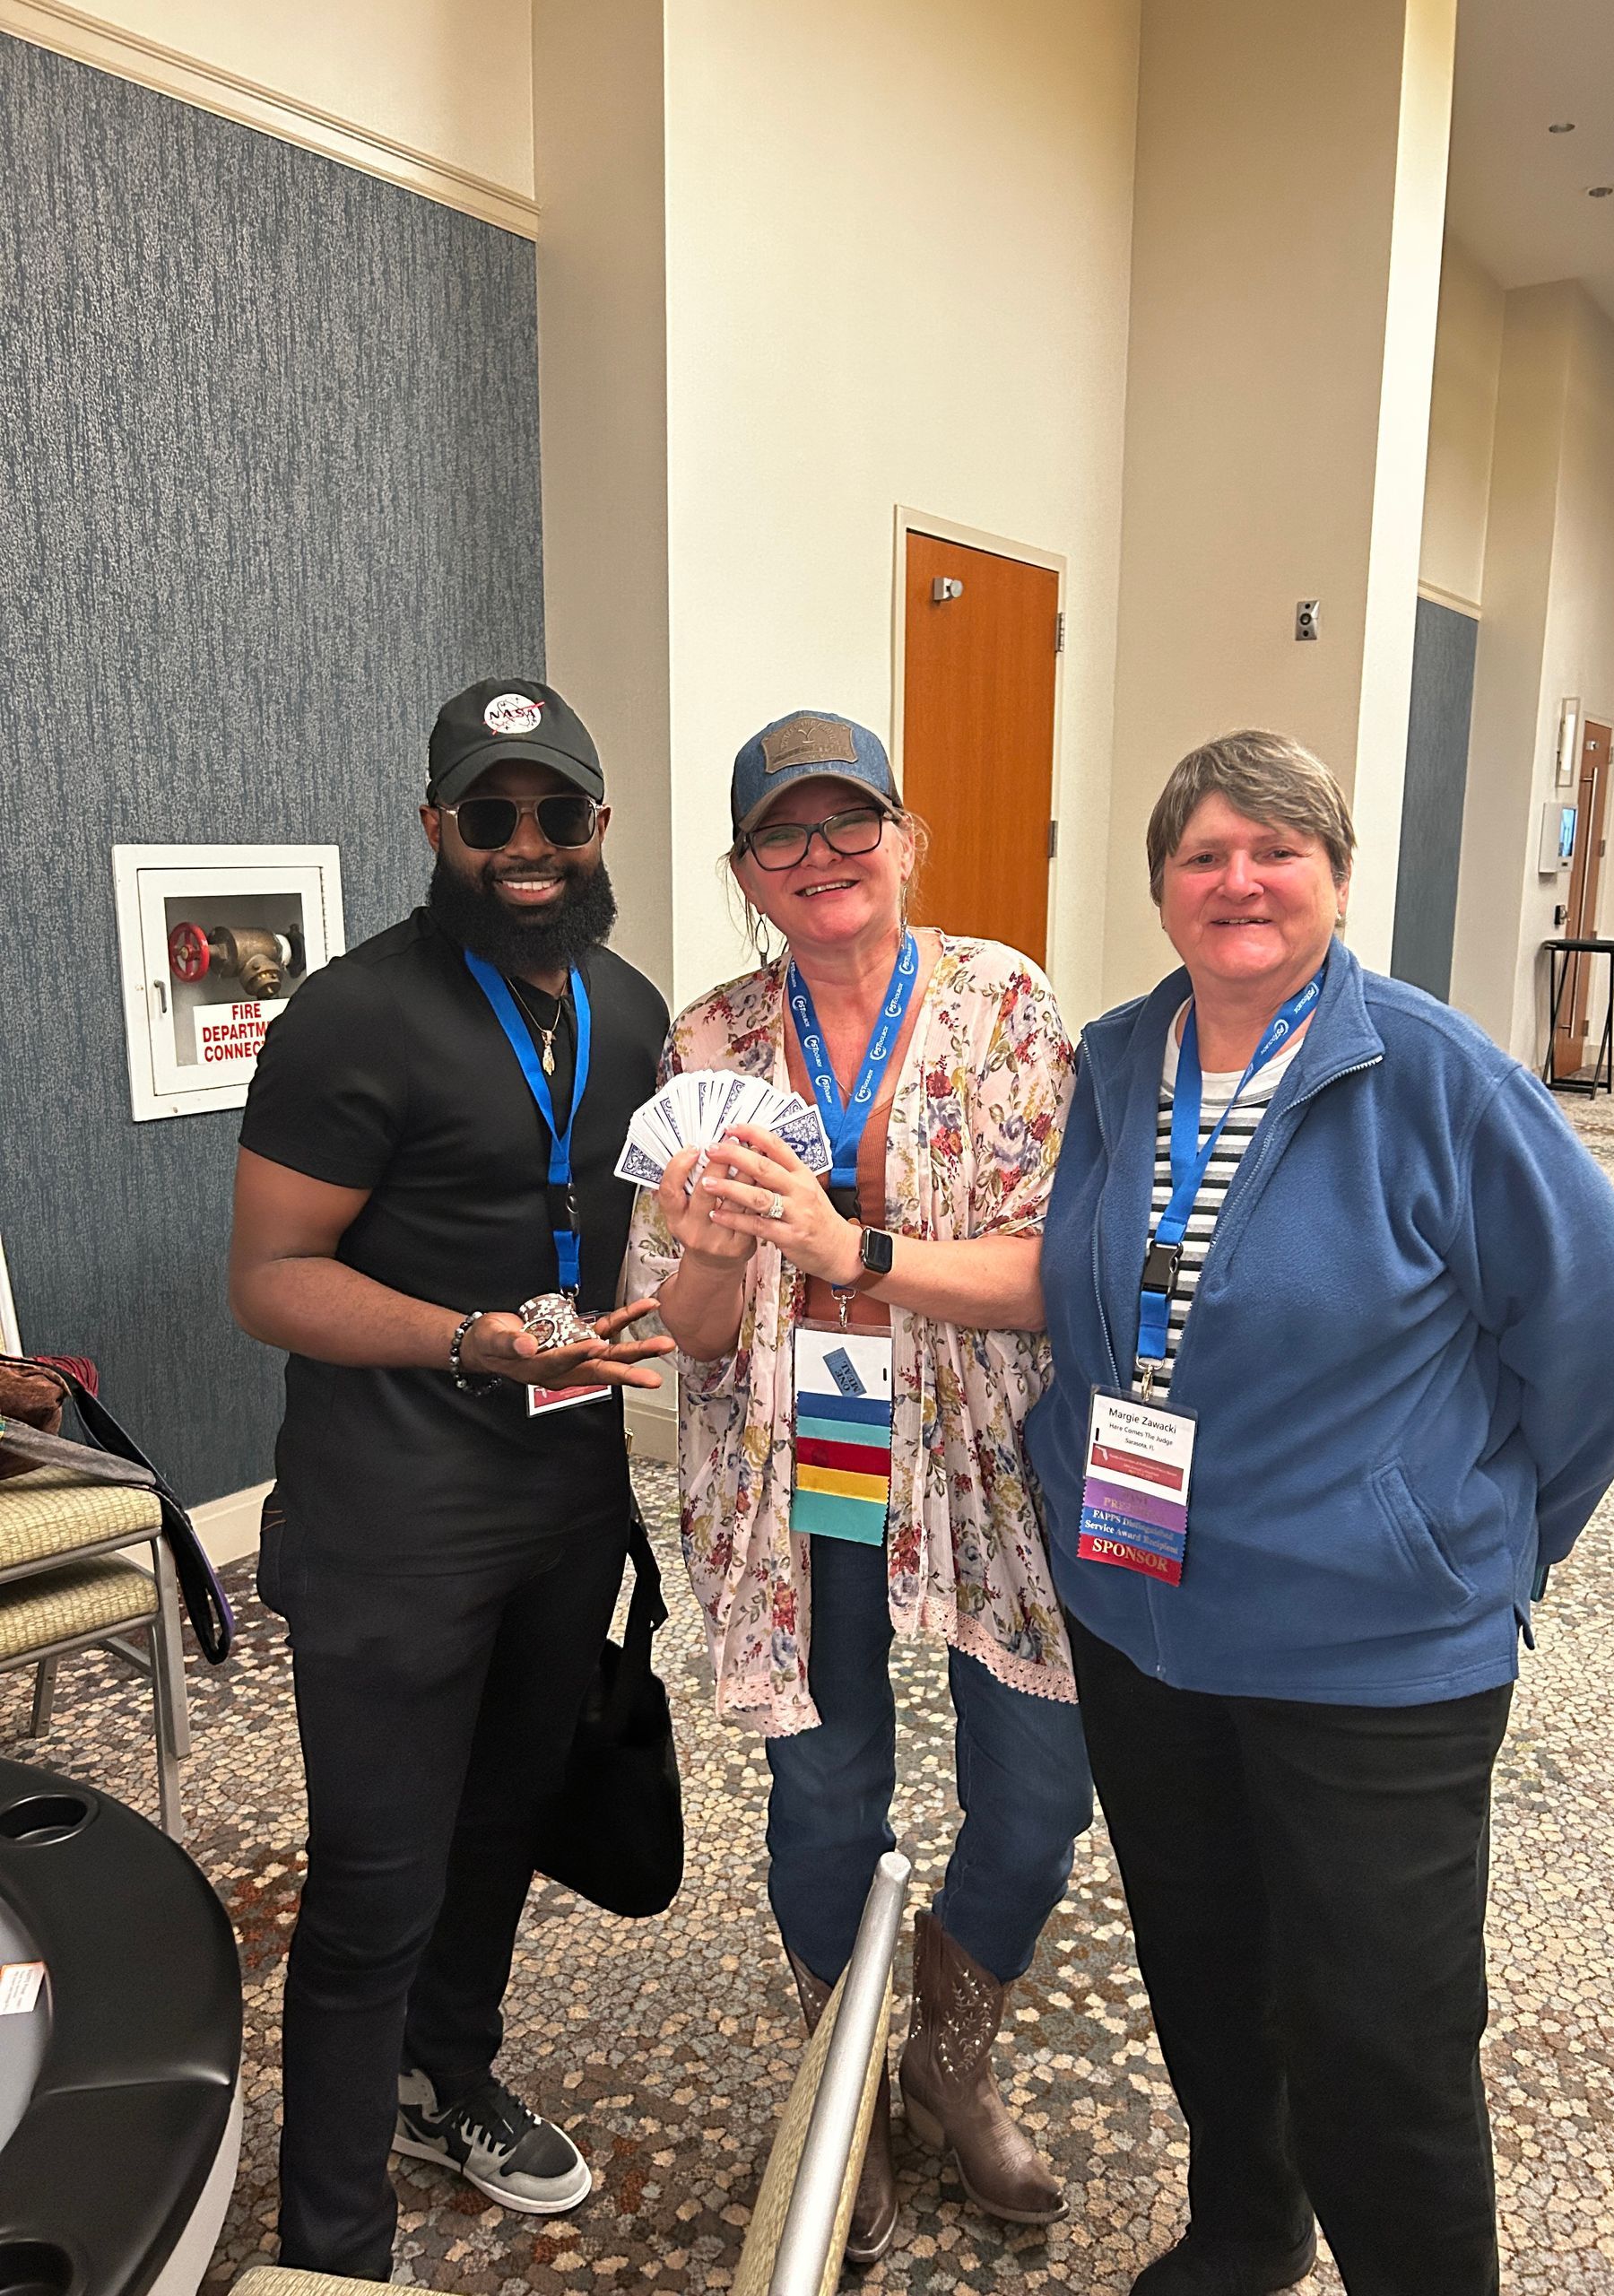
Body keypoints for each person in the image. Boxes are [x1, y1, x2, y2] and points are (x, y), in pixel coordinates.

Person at [1026, 729, 1614, 2296]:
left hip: (1371, 1651)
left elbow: (1605, 1325)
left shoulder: (1438, 1076)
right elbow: (1081, 1289)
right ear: (1163, 890)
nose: (1239, 881)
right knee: (1203, 1964)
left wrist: (1471, 1535)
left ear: (1336, 877)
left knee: (1383, 2027)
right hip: (1143, 1619)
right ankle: (1250, 2230)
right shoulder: (1118, 1061)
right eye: (1204, 855)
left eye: (1278, 851)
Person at [627, 710, 1092, 2260]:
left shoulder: (1006, 1004)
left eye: (851, 823)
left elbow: (1053, 1273)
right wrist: (709, 1254)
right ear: (746, 870)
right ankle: (842, 2092)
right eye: (784, 833)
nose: (821, 856)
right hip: (799, 1447)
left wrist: (853, 1251)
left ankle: (950, 2057)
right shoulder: (710, 1043)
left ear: (905, 839)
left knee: (1041, 1785)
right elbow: (689, 1335)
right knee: (829, 1786)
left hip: (985, 1442)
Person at [229, 677, 673, 2275]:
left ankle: (445, 2080)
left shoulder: (629, 1008)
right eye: (491, 814)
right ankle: (333, 2240)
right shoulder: (350, 1016)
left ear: (600, 823)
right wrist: (468, 1341)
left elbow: (641, 1236)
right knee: (373, 1880)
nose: (526, 844)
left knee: (499, 1828)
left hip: (565, 1505)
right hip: (393, 1521)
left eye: (556, 812)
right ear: (436, 827)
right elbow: (269, 1278)